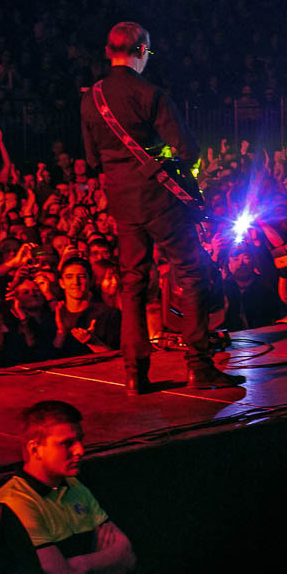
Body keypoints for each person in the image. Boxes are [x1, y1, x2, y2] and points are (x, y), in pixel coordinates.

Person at [79, 21, 239, 395]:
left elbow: (91, 158)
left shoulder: (91, 98)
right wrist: (162, 159)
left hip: (121, 203)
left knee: (133, 284)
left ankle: (136, 373)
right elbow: (188, 151)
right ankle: (199, 366)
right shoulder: (151, 94)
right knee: (191, 272)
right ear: (141, 52)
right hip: (160, 201)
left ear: (108, 51)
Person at [0, 400, 137, 574]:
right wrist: (108, 569)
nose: (80, 450)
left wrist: (80, 564)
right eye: (66, 443)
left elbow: (127, 556)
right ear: (35, 450)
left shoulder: (74, 486)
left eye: (80, 441)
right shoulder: (16, 503)